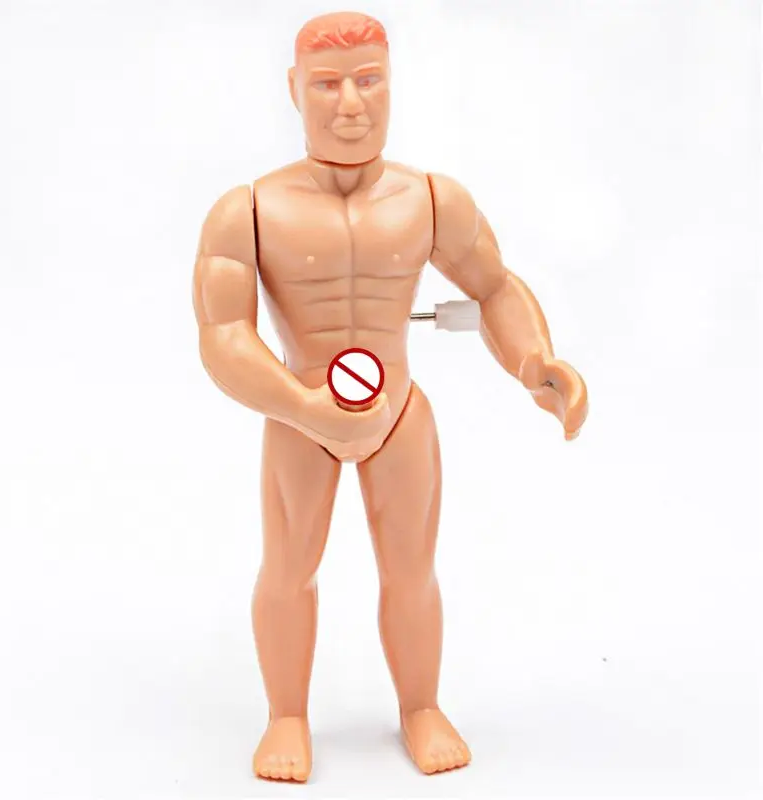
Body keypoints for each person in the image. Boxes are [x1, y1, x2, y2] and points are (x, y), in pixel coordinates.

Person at [192, 10, 588, 782]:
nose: (351, 104)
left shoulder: (431, 200)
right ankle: (286, 716)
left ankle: (420, 707)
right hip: (296, 413)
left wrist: (535, 360)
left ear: (392, 84)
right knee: (287, 570)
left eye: (369, 80)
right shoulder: (248, 211)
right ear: (293, 90)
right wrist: (301, 406)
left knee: (412, 572)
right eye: (327, 85)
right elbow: (222, 336)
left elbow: (494, 287)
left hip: (399, 415)